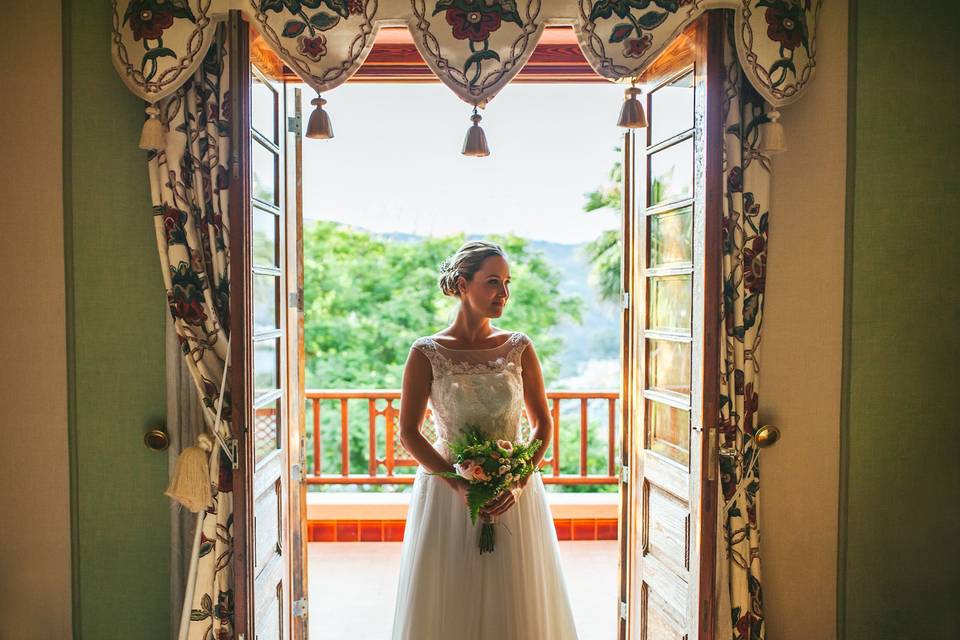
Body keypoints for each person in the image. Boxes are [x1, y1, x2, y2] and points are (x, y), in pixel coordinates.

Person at [390, 241, 579, 640]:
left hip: (515, 494)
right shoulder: (426, 352)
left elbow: (543, 423)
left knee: (515, 598)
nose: (504, 294)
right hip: (447, 494)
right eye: (493, 282)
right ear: (462, 284)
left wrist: (519, 480)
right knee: (449, 598)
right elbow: (409, 432)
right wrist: (457, 483)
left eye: (507, 283)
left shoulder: (519, 347)